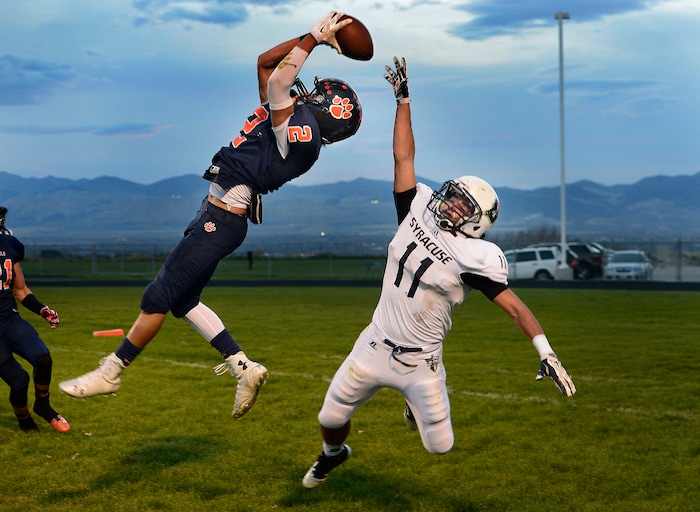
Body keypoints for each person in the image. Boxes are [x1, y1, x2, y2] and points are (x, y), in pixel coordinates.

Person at [59, 12, 363, 420]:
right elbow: (265, 63)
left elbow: (277, 81)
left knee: (158, 297)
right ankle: (244, 367)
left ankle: (112, 371)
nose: (306, 93)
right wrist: (318, 39)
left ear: (324, 111)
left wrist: (311, 40)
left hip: (221, 220)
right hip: (217, 215)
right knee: (184, 300)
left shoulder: (300, 132)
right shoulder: (290, 123)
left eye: (316, 94)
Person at [301, 57, 576, 488]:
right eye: (452, 196)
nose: (448, 204)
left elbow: (516, 308)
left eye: (461, 205)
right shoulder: (416, 210)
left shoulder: (478, 258)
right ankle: (334, 455)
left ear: (478, 221)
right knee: (329, 416)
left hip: (421, 362)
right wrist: (403, 99)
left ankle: (412, 406)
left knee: (439, 448)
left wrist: (546, 352)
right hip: (374, 342)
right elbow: (403, 154)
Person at [0, 206, 70, 432]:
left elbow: (20, 290)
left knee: (42, 358)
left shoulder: (10, 245)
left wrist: (43, 310)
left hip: (8, 319)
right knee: (19, 381)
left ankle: (43, 405)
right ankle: (24, 422)